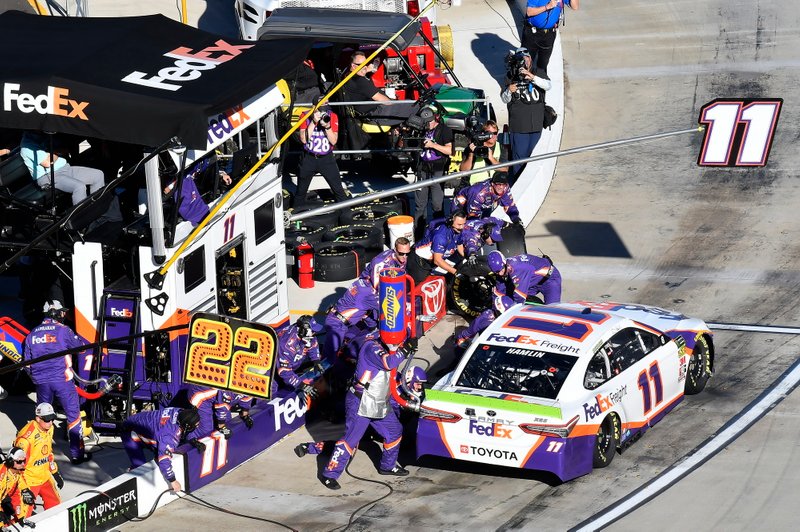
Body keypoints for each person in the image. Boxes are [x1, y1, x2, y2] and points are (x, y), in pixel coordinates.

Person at [295, 337, 411, 490]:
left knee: (394, 431)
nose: (398, 345)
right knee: (350, 441)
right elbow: (388, 363)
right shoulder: (372, 348)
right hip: (360, 402)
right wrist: (404, 350)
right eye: (398, 342)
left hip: (378, 402)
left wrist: (405, 350)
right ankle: (329, 474)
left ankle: (387, 466)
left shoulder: (385, 349)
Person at [22, 300, 92, 465]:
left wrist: (36, 378)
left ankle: (42, 455)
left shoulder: (31, 334)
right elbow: (81, 348)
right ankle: (77, 455)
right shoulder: (63, 330)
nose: (63, 314)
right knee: (73, 416)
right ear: (54, 313)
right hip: (63, 380)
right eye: (61, 312)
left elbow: (26, 364)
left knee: (43, 417)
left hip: (41, 382)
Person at [121, 406, 202, 493]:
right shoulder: (169, 436)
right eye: (196, 425)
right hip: (130, 431)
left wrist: (193, 440)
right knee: (141, 468)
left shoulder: (180, 411)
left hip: (143, 423)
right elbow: (164, 460)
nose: (198, 426)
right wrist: (173, 480)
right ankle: (130, 478)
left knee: (163, 447)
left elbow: (185, 429)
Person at [501, 48, 551, 182]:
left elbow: (548, 85)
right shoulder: (510, 76)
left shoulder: (538, 72)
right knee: (520, 159)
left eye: (527, 58)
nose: (524, 61)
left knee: (534, 158)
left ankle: (536, 181)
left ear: (530, 59)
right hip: (519, 127)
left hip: (536, 125)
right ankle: (518, 182)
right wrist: (509, 91)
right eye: (521, 59)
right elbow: (504, 99)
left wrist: (532, 77)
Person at [293, 95, 349, 212]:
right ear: (314, 107)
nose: (325, 110)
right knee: (300, 191)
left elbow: (334, 141)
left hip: (326, 159)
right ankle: (296, 217)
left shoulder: (332, 116)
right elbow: (303, 139)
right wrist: (313, 122)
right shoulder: (304, 115)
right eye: (322, 107)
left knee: (338, 190)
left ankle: (346, 215)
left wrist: (327, 127)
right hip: (309, 158)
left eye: (326, 105)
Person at [19, 132, 105, 205]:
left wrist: (55, 151)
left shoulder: (46, 137)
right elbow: (47, 162)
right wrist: (56, 151)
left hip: (65, 168)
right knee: (79, 186)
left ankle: (97, 209)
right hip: (48, 176)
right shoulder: (27, 145)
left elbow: (65, 149)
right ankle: (82, 218)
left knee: (98, 175)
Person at [14, 403, 63, 516]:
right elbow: (16, 467)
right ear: (37, 418)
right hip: (29, 481)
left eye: (52, 419)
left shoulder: (50, 429)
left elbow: (48, 454)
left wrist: (55, 473)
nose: (50, 422)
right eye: (47, 420)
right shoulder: (26, 439)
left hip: (45, 476)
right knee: (23, 516)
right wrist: (24, 489)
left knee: (57, 508)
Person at [343, 51, 417, 126]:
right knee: (416, 106)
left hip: (371, 112)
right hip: (377, 114)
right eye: (361, 65)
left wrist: (366, 70)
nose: (365, 67)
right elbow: (385, 101)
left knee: (408, 104)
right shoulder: (360, 81)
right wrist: (395, 102)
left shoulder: (348, 77)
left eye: (366, 64)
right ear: (353, 66)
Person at [413, 105, 453, 239]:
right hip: (422, 170)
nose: (428, 125)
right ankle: (418, 235)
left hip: (437, 170)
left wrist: (433, 145)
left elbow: (449, 151)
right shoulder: (419, 129)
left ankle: (439, 234)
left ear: (435, 118)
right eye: (425, 122)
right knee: (420, 206)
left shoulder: (444, 130)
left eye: (430, 122)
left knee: (437, 204)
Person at [275, 315, 324, 404]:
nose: (314, 333)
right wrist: (301, 385)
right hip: (273, 371)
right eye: (312, 331)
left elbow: (313, 344)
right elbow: (283, 371)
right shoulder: (286, 344)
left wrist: (316, 361)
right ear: (304, 331)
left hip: (290, 366)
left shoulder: (305, 333)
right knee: (273, 393)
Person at [522, 0, 580, 75]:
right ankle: (524, 83)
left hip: (549, 34)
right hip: (532, 33)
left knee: (543, 65)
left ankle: (540, 84)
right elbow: (529, 12)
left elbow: (575, 7)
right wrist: (547, 6)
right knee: (526, 63)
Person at [407, 211, 466, 283]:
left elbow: (459, 245)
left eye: (463, 224)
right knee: (417, 286)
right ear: (450, 222)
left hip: (432, 260)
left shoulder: (457, 230)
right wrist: (456, 272)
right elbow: (437, 260)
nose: (462, 227)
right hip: (419, 261)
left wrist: (468, 257)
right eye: (459, 224)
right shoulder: (441, 236)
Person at [487, 250, 562, 305]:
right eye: (497, 272)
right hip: (532, 280)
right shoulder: (500, 267)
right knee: (510, 295)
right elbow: (499, 292)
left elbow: (520, 297)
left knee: (552, 311)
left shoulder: (516, 268)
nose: (500, 273)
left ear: (505, 263)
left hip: (550, 280)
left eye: (501, 270)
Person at [452, 173, 522, 222]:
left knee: (487, 224)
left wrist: (516, 219)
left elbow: (509, 205)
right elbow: (473, 216)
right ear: (492, 184)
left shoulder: (505, 188)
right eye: (498, 184)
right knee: (465, 227)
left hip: (484, 206)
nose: (501, 187)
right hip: (462, 205)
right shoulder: (480, 193)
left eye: (503, 184)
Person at [458, 120, 507, 189]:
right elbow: (463, 169)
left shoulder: (501, 148)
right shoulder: (473, 146)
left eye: (495, 133)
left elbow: (505, 169)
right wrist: (470, 154)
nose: (492, 136)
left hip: (493, 187)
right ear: (483, 134)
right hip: (474, 187)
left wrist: (491, 158)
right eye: (489, 133)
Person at [0, 447, 36, 528]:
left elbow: (16, 495)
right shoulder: (1, 477)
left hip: (3, 497)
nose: (23, 464)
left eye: (24, 461)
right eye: (19, 462)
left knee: (24, 498)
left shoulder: (16, 474)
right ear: (10, 461)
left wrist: (20, 517)